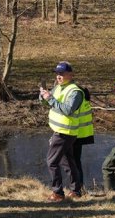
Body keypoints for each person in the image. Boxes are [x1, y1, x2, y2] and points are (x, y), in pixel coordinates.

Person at [39, 61, 87, 202]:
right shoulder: (58, 87)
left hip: (65, 131)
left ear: (70, 75)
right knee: (68, 162)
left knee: (51, 162)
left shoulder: (75, 92)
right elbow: (48, 102)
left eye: (62, 73)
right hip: (60, 130)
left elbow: (67, 109)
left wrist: (50, 98)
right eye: (57, 73)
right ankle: (76, 191)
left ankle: (58, 193)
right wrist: (43, 96)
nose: (58, 76)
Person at [72, 86, 95, 194]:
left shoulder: (76, 95)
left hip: (74, 133)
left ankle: (76, 189)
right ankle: (79, 188)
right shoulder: (83, 93)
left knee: (71, 162)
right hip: (82, 133)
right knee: (76, 161)